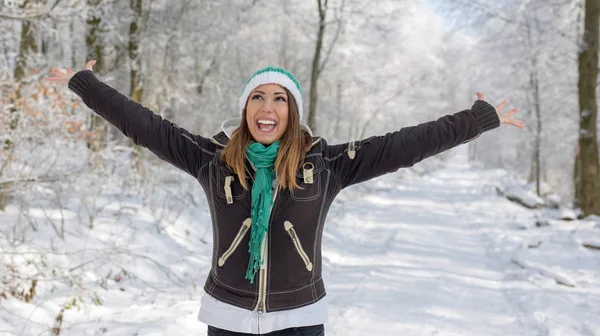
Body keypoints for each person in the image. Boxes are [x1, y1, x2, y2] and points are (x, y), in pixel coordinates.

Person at [45, 61, 525, 336]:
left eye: (279, 98)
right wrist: (87, 85)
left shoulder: (326, 165)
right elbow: (145, 125)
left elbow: (405, 144)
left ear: (291, 112)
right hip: (227, 317)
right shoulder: (212, 160)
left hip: (301, 318)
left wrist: (476, 120)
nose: (267, 107)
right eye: (258, 97)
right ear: (245, 109)